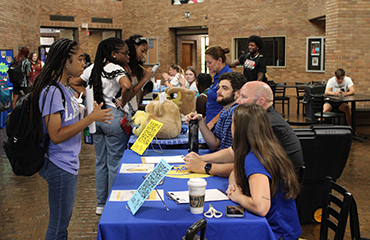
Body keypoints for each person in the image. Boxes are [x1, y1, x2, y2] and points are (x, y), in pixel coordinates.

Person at [30, 38, 113, 239]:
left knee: (62, 224)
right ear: (65, 62)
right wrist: (90, 119)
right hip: (59, 164)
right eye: (79, 59)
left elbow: (69, 123)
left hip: (68, 163)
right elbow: (56, 135)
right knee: (58, 226)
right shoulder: (52, 91)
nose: (83, 64)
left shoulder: (65, 89)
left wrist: (88, 114)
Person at [69, 37, 137, 215]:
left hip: (96, 117)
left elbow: (73, 82)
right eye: (125, 53)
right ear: (114, 54)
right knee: (114, 162)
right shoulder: (115, 68)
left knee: (100, 162)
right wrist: (123, 101)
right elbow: (127, 85)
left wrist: (89, 96)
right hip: (113, 117)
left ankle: (100, 204)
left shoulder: (92, 68)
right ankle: (113, 204)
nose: (127, 56)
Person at [184, 81, 304, 178]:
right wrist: (199, 159)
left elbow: (245, 167)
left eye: (244, 97)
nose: (238, 101)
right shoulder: (258, 118)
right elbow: (234, 151)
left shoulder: (269, 124)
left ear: (260, 102)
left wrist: (204, 166)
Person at [226, 103, 302, 240]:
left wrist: (238, 197)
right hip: (288, 230)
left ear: (240, 129)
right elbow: (235, 172)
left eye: (232, 123)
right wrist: (234, 187)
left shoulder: (254, 159)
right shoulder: (267, 149)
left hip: (278, 234)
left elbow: (261, 207)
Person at [185, 72, 246, 151]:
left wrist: (201, 159)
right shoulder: (224, 112)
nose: (218, 92)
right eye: (219, 88)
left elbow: (234, 154)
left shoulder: (236, 112)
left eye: (224, 88)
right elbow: (214, 144)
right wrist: (200, 120)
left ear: (238, 93)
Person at [204, 46, 233, 128]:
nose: (207, 65)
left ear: (219, 60)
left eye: (209, 62)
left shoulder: (228, 77)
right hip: (210, 122)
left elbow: (229, 106)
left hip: (219, 125)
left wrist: (212, 123)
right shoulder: (216, 76)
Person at [125, 35, 154, 113]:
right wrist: (145, 78)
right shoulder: (125, 68)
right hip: (126, 110)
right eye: (142, 51)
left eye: (145, 52)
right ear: (134, 47)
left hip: (133, 108)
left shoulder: (136, 66)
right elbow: (129, 95)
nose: (144, 55)